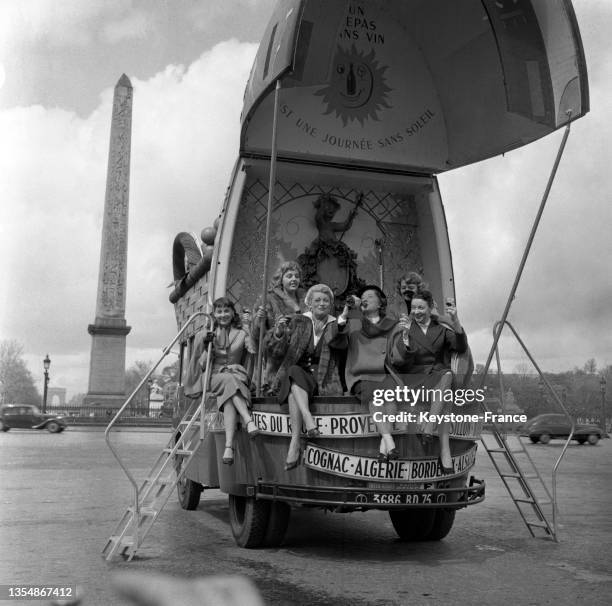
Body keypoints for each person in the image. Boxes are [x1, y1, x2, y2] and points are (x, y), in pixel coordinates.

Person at [268, 284, 343, 470]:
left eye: (326, 300)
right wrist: (279, 334)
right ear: (309, 304)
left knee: (294, 388)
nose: (322, 303)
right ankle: (306, 423)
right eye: (317, 300)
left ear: (331, 304)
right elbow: (276, 354)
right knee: (293, 371)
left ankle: (295, 443)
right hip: (300, 376)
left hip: (324, 379)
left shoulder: (337, 324)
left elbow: (342, 346)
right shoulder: (298, 322)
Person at [396, 288, 468, 473]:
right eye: (414, 308)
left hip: (438, 379)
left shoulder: (441, 330)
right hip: (414, 380)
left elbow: (460, 346)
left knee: (446, 376)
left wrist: (456, 321)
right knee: (446, 383)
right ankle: (443, 449)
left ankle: (430, 428)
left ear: (430, 308)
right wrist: (404, 338)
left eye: (421, 307)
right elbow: (400, 361)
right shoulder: (406, 328)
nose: (417, 312)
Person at [190, 297, 259, 466]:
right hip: (213, 377)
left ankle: (228, 447)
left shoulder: (242, 332)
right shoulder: (206, 333)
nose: (223, 315)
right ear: (214, 314)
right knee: (228, 381)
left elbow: (253, 354)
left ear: (232, 312)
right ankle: (248, 419)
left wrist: (250, 333)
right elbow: (201, 364)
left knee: (228, 397)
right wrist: (208, 347)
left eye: (226, 311)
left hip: (236, 376)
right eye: (219, 311)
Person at [337, 284, 402, 461]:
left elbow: (399, 356)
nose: (365, 299)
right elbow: (336, 341)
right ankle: (388, 439)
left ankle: (384, 448)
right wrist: (345, 313)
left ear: (381, 303)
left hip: (384, 373)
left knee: (391, 398)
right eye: (362, 297)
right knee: (375, 396)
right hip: (360, 375)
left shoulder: (393, 325)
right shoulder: (353, 322)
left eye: (370, 296)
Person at [250, 261, 306, 390]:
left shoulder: (305, 299)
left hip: (301, 354)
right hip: (276, 356)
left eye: (297, 276)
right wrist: (260, 320)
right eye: (289, 276)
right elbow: (257, 335)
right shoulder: (269, 299)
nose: (294, 279)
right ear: (281, 279)